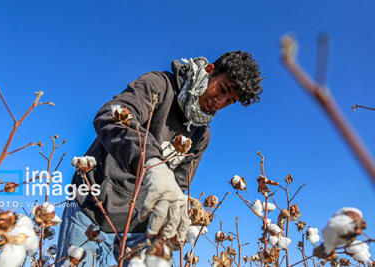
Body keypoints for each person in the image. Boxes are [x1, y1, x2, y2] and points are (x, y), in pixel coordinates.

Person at [56, 51, 263, 266]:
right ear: (209, 71)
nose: (219, 102)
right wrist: (152, 162)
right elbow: (111, 116)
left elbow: (180, 184)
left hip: (138, 229)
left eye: (229, 101)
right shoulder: (159, 86)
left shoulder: (201, 135)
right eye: (222, 89)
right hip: (93, 210)